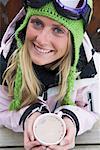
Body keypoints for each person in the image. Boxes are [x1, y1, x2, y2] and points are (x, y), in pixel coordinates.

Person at [0, 0, 100, 150]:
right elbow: (2, 109)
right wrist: (27, 116)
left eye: (58, 30)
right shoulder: (7, 64)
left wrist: (71, 120)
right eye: (37, 23)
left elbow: (91, 110)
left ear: (73, 39)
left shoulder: (88, 69)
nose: (41, 40)